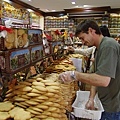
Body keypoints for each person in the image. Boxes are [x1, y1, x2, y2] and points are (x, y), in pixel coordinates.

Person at [59, 19, 120, 120]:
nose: (82, 42)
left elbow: (103, 80)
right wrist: (91, 98)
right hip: (104, 102)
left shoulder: (108, 46)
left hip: (112, 107)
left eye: (83, 38)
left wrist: (75, 75)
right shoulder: (99, 47)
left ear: (91, 31)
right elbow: (95, 76)